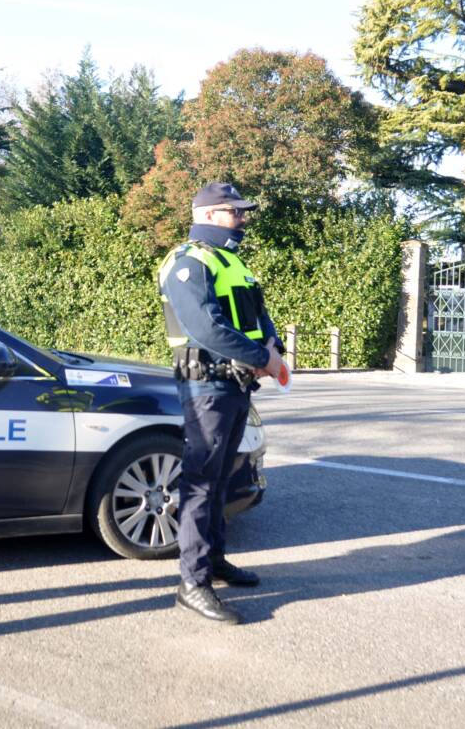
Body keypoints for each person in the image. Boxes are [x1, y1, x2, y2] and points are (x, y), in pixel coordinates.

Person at [157, 182, 284, 624]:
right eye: (236, 212)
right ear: (209, 215)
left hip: (235, 385)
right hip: (206, 387)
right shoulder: (186, 262)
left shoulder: (231, 262)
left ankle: (213, 561)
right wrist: (262, 358)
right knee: (200, 485)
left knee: (221, 480)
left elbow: (258, 317)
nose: (244, 219)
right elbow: (205, 328)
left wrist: (274, 347)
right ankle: (191, 584)